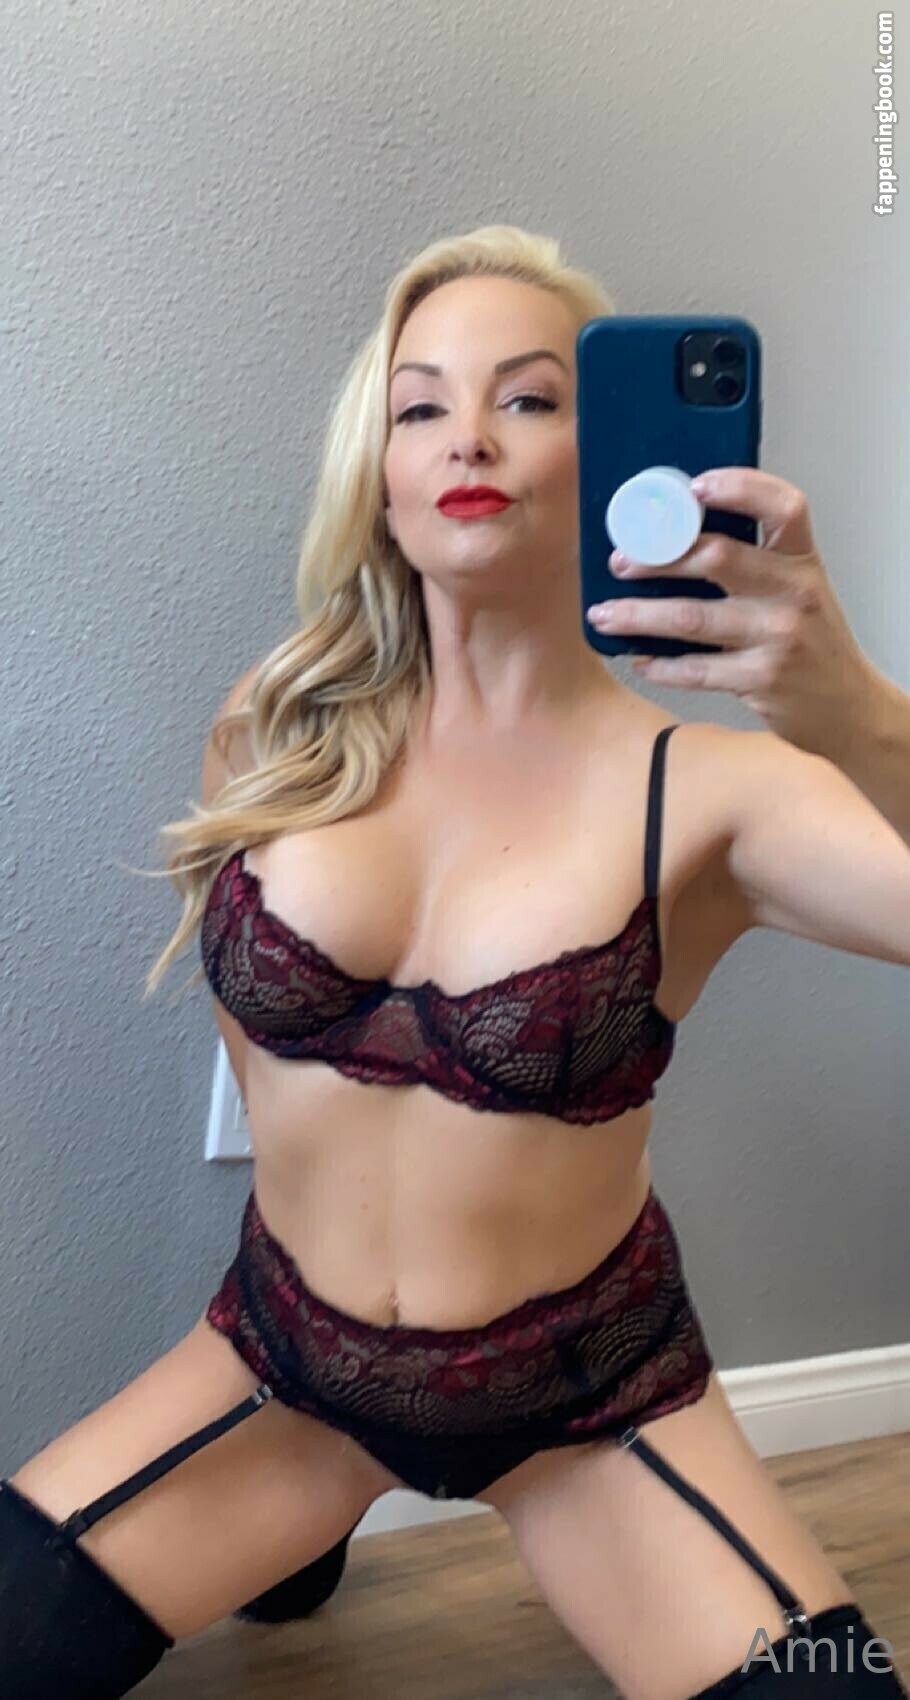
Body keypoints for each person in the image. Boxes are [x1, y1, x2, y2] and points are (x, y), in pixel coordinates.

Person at [2, 225, 908, 1700]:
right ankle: (305, 1521)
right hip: (284, 1373)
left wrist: (857, 710)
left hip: (588, 1403)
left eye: (529, 397)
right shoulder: (274, 731)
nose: (467, 436)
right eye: (419, 405)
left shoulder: (713, 794)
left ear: (610, 456)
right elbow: (256, 1046)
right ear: (379, 470)